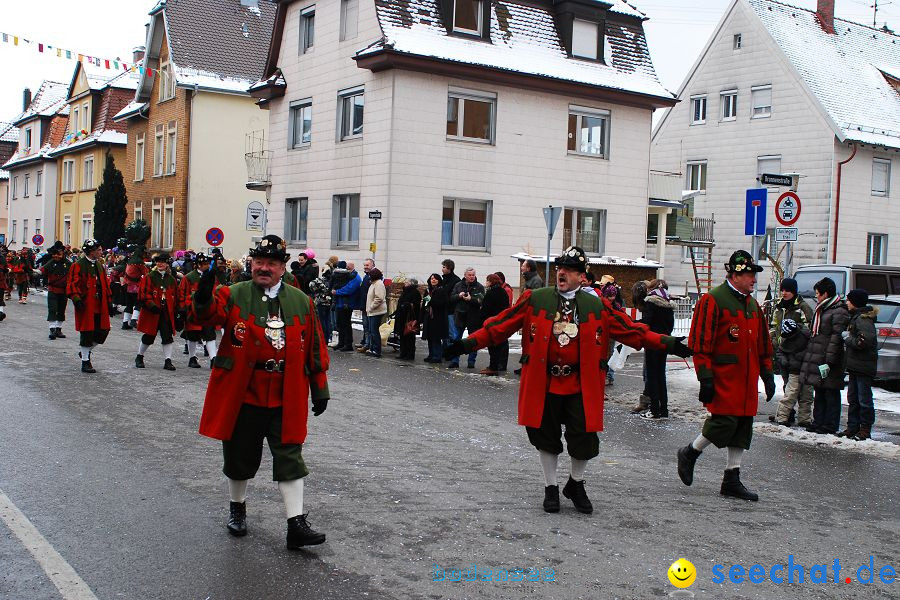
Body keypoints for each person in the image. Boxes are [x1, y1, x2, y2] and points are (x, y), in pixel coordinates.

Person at [446, 246, 691, 514]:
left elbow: (632, 330)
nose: (562, 272)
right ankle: (551, 487)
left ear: (582, 277)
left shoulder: (596, 305)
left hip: (581, 384)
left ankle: (575, 483)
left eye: (570, 270)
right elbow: (500, 325)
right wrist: (467, 344)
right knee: (545, 435)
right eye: (561, 267)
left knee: (584, 437)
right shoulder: (535, 299)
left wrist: (667, 343)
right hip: (545, 381)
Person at [190, 234, 330, 550]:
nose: (263, 268)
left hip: (286, 394)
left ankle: (296, 524)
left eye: (271, 263)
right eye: (259, 262)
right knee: (239, 455)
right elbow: (206, 316)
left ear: (282, 268)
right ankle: (237, 508)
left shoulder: (301, 301)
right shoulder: (233, 294)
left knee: (290, 456)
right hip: (244, 393)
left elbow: (315, 347)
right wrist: (203, 293)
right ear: (252, 264)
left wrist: (320, 389)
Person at [677, 250, 775, 502]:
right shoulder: (713, 300)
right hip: (724, 376)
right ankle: (690, 452)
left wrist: (767, 373)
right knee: (724, 422)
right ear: (736, 274)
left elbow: (763, 342)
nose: (754, 279)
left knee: (742, 427)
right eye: (750, 274)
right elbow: (700, 343)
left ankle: (732, 478)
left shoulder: (753, 304)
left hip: (746, 377)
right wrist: (705, 377)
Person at [799, 277, 849, 435]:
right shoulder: (822, 309)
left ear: (826, 294)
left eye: (818, 294)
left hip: (829, 359)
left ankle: (830, 424)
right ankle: (818, 421)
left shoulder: (838, 310)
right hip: (818, 356)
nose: (816, 297)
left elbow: (836, 338)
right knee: (819, 391)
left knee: (830, 392)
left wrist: (829, 360)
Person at [769, 278, 814, 427]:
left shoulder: (802, 307)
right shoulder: (779, 308)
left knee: (800, 388)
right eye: (782, 290)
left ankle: (803, 417)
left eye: (787, 290)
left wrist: (796, 335)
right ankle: (788, 414)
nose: (784, 293)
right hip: (783, 351)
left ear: (794, 291)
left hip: (798, 353)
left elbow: (809, 329)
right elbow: (773, 327)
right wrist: (775, 342)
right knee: (787, 384)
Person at [66, 239, 113, 373]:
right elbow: (72, 284)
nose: (101, 252)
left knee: (103, 330)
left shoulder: (99, 265)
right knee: (87, 332)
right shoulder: (78, 265)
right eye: (98, 250)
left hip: (100, 304)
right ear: (91, 252)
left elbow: (105, 284)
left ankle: (85, 351)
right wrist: (76, 299)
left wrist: (109, 301)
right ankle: (85, 362)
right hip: (86, 304)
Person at [839, 289, 878, 440]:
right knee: (853, 398)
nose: (847, 303)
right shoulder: (856, 317)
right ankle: (852, 427)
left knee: (864, 399)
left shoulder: (863, 320)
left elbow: (864, 341)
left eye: (849, 300)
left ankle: (865, 429)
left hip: (863, 366)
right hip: (855, 365)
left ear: (855, 302)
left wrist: (847, 339)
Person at [135, 253, 181, 371]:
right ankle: (139, 356)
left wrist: (177, 311)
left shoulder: (171, 279)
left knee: (167, 335)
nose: (160, 264)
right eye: (158, 261)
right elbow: (144, 294)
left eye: (163, 262)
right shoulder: (149, 277)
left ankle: (168, 360)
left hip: (166, 312)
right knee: (149, 336)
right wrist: (151, 305)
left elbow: (176, 296)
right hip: (153, 312)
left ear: (167, 264)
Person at [639, 279, 676, 420]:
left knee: (652, 376)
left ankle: (654, 410)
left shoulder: (650, 302)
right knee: (661, 376)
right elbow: (671, 326)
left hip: (652, 342)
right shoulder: (669, 304)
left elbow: (646, 323)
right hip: (665, 342)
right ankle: (663, 410)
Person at [179, 253, 218, 368]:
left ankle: (213, 358)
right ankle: (192, 358)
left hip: (207, 311)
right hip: (193, 311)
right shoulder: (189, 277)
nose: (207, 266)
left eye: (207, 263)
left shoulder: (211, 277)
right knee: (192, 335)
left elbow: (215, 292)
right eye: (205, 264)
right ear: (198, 265)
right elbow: (182, 294)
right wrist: (185, 307)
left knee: (210, 334)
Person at [448, 268, 484, 369]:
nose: (472, 277)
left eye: (473, 275)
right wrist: (458, 296)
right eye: (469, 275)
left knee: (473, 339)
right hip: (460, 315)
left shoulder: (479, 286)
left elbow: (481, 301)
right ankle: (454, 361)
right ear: (465, 275)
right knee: (456, 338)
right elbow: (451, 298)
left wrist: (471, 299)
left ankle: (471, 361)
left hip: (473, 316)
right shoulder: (458, 285)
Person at [479, 273, 510, 375]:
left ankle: (493, 367)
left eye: (487, 280)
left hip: (491, 322)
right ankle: (496, 365)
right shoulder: (503, 292)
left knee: (492, 346)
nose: (486, 282)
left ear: (491, 282)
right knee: (498, 344)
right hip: (501, 321)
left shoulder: (491, 293)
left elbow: (485, 310)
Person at [42, 241, 70, 340]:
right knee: (53, 309)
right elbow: (42, 271)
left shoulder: (68, 264)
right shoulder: (51, 263)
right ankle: (52, 329)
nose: (56, 256)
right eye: (54, 254)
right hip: (53, 289)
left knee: (61, 309)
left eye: (58, 254)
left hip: (64, 290)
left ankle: (58, 328)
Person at [332, 261, 361, 351]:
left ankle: (348, 344)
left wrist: (337, 292)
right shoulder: (348, 275)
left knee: (346, 324)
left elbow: (349, 289)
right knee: (340, 324)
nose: (345, 269)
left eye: (347, 267)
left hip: (347, 304)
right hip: (340, 303)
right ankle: (341, 343)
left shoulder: (355, 277)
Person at [422, 273, 449, 363]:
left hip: (438, 317)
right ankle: (431, 355)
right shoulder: (428, 290)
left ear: (439, 280)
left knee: (436, 337)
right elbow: (425, 303)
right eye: (432, 278)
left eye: (435, 279)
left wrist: (431, 301)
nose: (433, 280)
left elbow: (442, 303)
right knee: (429, 337)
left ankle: (437, 356)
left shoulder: (441, 290)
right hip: (428, 316)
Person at [393, 277, 422, 360]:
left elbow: (416, 305)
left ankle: (410, 354)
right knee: (402, 335)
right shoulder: (405, 291)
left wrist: (406, 305)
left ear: (411, 283)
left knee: (409, 336)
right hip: (401, 317)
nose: (405, 283)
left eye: (407, 282)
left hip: (409, 318)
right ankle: (403, 352)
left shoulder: (415, 292)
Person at [122, 246, 148, 329]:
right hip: (136, 286)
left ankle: (125, 322)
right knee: (138, 303)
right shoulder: (139, 263)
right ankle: (134, 320)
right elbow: (146, 273)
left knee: (128, 304)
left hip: (127, 285)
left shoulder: (130, 261)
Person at [364, 268, 387, 358]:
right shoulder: (374, 283)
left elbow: (379, 298)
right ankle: (372, 348)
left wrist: (371, 307)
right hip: (372, 311)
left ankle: (377, 350)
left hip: (376, 311)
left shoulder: (378, 284)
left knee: (374, 331)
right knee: (371, 330)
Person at [440, 259, 461, 352]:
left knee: (451, 332)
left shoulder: (455, 280)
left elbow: (453, 295)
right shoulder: (444, 279)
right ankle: (445, 350)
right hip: (443, 309)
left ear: (449, 268)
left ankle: (451, 351)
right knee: (444, 332)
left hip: (451, 310)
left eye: (444, 267)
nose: (442, 269)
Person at [356, 258, 375, 352]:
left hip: (369, 307)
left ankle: (368, 345)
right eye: (364, 265)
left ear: (372, 265)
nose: (365, 267)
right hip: (364, 305)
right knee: (365, 326)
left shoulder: (372, 277)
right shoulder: (366, 276)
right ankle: (366, 343)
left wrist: (370, 306)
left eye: (367, 265)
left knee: (368, 327)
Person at [0, 250, 8, 322]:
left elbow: (5, 269)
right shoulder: (2, 257)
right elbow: (6, 268)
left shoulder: (2, 258)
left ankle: (1, 313)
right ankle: (1, 312)